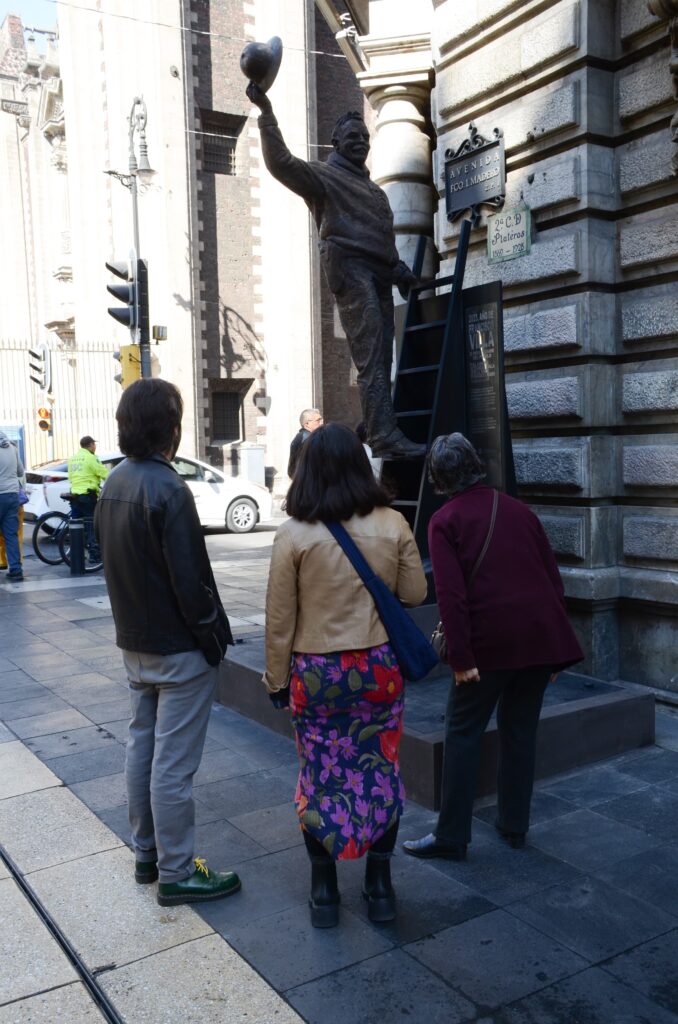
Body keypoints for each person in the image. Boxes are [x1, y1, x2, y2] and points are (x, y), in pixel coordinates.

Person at [264, 423, 427, 928]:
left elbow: (279, 620)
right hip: (378, 671)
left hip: (316, 676)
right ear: (362, 466)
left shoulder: (293, 534)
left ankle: (325, 891)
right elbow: (417, 594)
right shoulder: (393, 523)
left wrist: (275, 681)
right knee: (380, 772)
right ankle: (380, 888)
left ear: (308, 469)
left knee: (320, 778)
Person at [403, 434, 584, 862]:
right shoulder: (520, 511)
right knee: (520, 732)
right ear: (475, 466)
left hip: (488, 647)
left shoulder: (445, 520)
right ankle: (514, 827)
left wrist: (462, 660)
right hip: (540, 641)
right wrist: (556, 651)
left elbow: (451, 597)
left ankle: (451, 836)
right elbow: (552, 580)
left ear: (439, 478)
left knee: (463, 733)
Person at [94, 378, 240, 907]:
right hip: (178, 649)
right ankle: (177, 872)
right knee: (172, 764)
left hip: (134, 644)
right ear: (170, 429)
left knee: (143, 746)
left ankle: (147, 854)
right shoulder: (169, 488)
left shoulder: (113, 482)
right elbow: (192, 581)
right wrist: (214, 640)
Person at [247, 82, 425, 461]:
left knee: (382, 358)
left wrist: (400, 271)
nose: (361, 141)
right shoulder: (324, 177)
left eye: (365, 136)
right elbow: (282, 163)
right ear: (335, 142)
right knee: (373, 354)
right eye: (352, 136)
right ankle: (382, 433)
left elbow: (383, 242)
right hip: (352, 270)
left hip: (378, 274)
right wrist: (267, 114)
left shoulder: (374, 191)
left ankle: (378, 426)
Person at [67, 436, 109, 563]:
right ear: (90, 445)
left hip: (74, 495)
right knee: (92, 525)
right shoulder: (91, 458)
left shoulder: (73, 459)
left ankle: (75, 553)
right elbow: (104, 473)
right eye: (94, 444)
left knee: (76, 526)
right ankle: (94, 555)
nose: (95, 447)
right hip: (87, 495)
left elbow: (70, 476)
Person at [0, 431, 24, 581]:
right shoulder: (12, 448)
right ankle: (16, 570)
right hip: (12, 495)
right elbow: (20, 471)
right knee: (11, 535)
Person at [288, 408, 323, 477]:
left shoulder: (302, 436)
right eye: (318, 420)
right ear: (307, 424)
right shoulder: (309, 438)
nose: (321, 423)